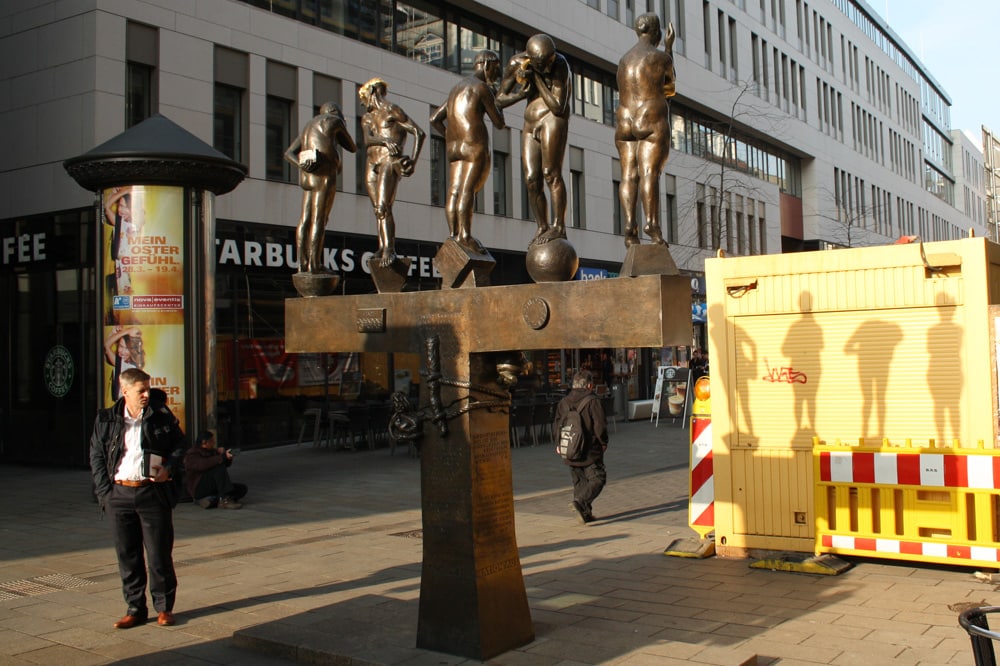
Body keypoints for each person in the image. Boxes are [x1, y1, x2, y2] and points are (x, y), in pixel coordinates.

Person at [89, 367, 185, 629]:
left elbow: (180, 446)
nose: (146, 395)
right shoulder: (107, 419)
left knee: (158, 554)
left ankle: (164, 607)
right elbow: (97, 456)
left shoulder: (159, 415)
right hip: (119, 493)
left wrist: (169, 469)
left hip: (151, 493)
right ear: (125, 391)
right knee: (127, 555)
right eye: (141, 390)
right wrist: (105, 494)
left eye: (148, 389)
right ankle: (135, 608)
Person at [496, 34, 572, 246]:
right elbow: (499, 100)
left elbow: (558, 105)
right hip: (530, 122)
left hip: (553, 119)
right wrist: (522, 94)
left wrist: (536, 77)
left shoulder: (560, 65)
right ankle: (542, 226)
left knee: (551, 173)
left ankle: (559, 226)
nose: (548, 68)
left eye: (549, 62)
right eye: (542, 65)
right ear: (529, 57)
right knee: (531, 179)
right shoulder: (515, 63)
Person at [430, 50, 506, 254]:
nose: (497, 74)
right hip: (474, 143)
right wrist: (498, 97)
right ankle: (465, 236)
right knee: (467, 190)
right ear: (487, 65)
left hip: (454, 147)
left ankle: (453, 235)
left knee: (454, 190)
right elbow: (499, 122)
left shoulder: (456, 89)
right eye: (496, 69)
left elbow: (434, 119)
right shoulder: (481, 88)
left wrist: (449, 135)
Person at [615, 13, 676, 247]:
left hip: (625, 119)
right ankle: (652, 224)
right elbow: (670, 88)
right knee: (649, 173)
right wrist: (669, 50)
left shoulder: (624, 60)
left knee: (628, 175)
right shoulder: (660, 57)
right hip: (650, 116)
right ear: (657, 32)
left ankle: (630, 226)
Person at [359, 78, 426, 268]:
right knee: (377, 210)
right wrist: (384, 140)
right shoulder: (368, 117)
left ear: (372, 92)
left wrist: (412, 161)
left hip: (389, 161)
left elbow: (419, 133)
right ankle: (382, 246)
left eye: (364, 98)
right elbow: (367, 140)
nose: (363, 104)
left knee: (383, 206)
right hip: (372, 163)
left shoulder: (392, 110)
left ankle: (389, 248)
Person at [284, 102, 358, 275]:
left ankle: (303, 263)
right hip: (324, 174)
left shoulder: (308, 126)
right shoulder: (333, 121)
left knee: (305, 220)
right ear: (334, 112)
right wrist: (342, 126)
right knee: (319, 219)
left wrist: (303, 165)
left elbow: (288, 153)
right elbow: (352, 147)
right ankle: (315, 265)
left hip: (308, 176)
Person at [553, 369, 609, 524]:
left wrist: (559, 443)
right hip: (589, 449)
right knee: (598, 478)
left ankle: (585, 513)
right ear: (589, 385)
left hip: (570, 448)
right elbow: (600, 425)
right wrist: (603, 442)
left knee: (579, 481)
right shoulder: (593, 401)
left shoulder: (564, 402)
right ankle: (581, 503)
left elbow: (557, 423)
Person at [183, 430, 247, 510]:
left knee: (241, 489)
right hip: (199, 487)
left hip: (213, 486)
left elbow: (225, 465)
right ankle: (223, 500)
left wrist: (227, 457)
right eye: (212, 441)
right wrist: (222, 457)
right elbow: (203, 464)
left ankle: (213, 499)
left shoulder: (212, 451)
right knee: (218, 468)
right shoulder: (192, 454)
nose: (214, 443)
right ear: (204, 443)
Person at [104, 326, 145, 402]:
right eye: (121, 346)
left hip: (125, 405)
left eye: (127, 349)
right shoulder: (123, 363)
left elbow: (106, 345)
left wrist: (127, 331)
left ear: (132, 351)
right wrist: (113, 334)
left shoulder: (128, 367)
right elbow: (105, 350)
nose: (122, 351)